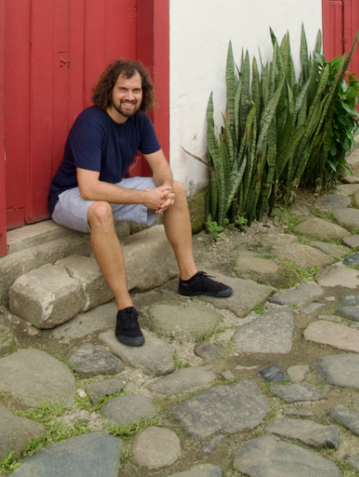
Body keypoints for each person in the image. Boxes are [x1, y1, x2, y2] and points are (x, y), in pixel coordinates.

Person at [48, 58, 232, 347]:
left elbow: (160, 168)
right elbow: (88, 188)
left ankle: (190, 278)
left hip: (110, 187)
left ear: (143, 92)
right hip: (68, 196)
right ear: (110, 89)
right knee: (100, 209)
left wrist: (166, 189)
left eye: (136, 90)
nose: (129, 97)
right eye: (123, 89)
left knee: (179, 191)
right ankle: (125, 308)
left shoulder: (140, 121)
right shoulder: (90, 123)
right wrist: (144, 197)